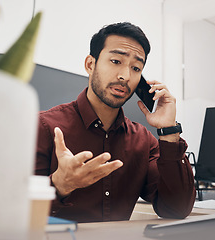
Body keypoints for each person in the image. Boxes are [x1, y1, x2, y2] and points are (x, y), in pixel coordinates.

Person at [35, 22, 196, 223]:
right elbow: (10, 210)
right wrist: (59, 185)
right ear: (90, 64)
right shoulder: (44, 126)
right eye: (115, 61)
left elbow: (176, 209)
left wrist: (169, 130)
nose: (125, 76)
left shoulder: (143, 141)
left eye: (136, 68)